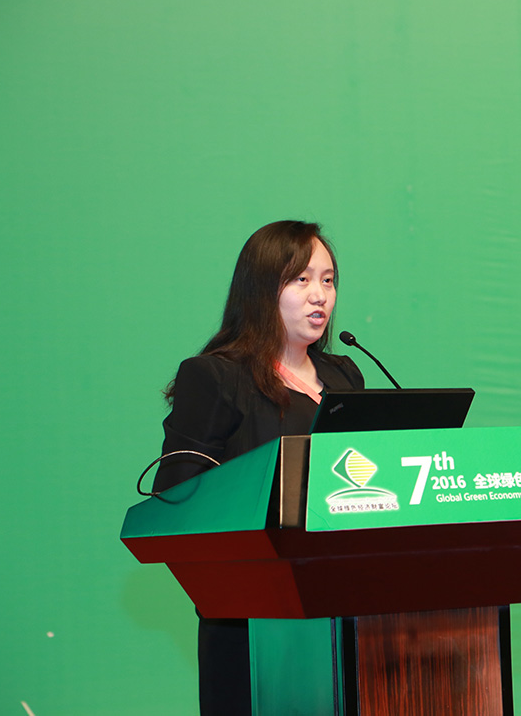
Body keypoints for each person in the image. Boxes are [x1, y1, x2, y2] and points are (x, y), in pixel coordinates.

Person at [152, 220, 364, 715]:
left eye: (328, 280)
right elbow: (178, 496)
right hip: (251, 616)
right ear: (261, 289)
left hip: (344, 605)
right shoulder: (216, 376)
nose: (320, 295)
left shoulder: (344, 375)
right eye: (301, 280)